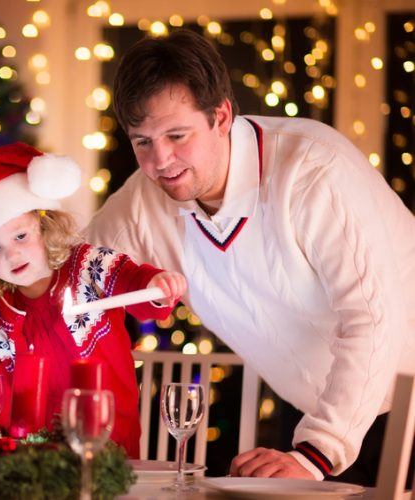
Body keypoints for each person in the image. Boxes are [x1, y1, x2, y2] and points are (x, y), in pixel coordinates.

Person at [85, 28, 415, 485]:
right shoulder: (146, 201)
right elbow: (75, 278)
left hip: (402, 393)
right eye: (142, 141)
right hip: (311, 402)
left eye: (177, 135)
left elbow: (371, 318)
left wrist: (318, 451)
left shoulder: (314, 170)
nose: (161, 160)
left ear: (221, 115)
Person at [0, 142, 187, 457]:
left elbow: (133, 285)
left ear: (45, 228)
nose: (12, 253)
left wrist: (155, 284)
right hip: (32, 453)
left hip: (109, 439)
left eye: (20, 236)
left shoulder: (87, 265)